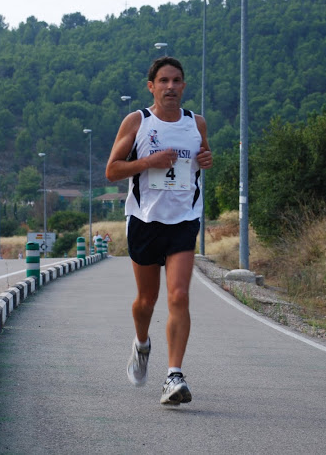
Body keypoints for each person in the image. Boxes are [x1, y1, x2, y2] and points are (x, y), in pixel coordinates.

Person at [105, 56, 213, 405]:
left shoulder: (196, 123)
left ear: (184, 85)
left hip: (183, 219)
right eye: (163, 81)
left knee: (179, 296)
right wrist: (148, 162)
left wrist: (207, 159)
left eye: (176, 80)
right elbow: (112, 170)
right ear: (151, 86)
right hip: (145, 220)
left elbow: (200, 159)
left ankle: (174, 376)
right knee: (146, 301)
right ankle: (141, 344)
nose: (170, 87)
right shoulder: (138, 121)